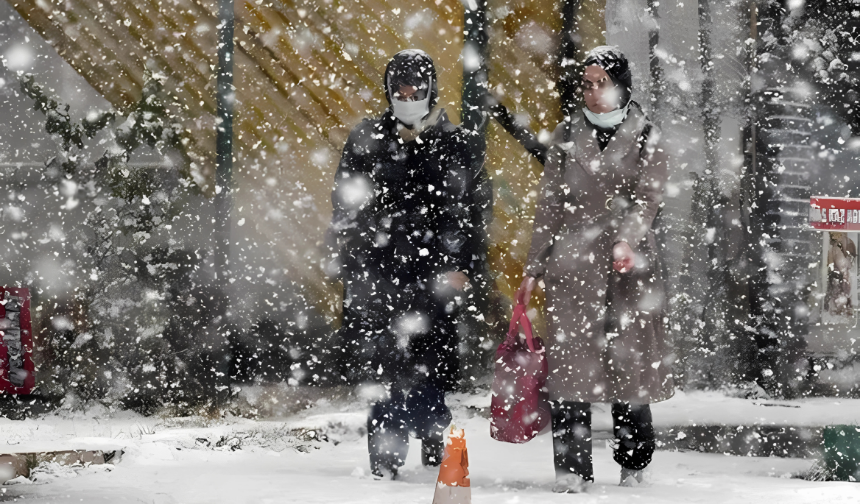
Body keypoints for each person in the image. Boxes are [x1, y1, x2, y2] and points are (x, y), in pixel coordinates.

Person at [515, 46, 674, 493]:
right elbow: (549, 206)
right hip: (573, 264)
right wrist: (534, 268)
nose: (593, 91)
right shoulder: (568, 134)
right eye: (586, 83)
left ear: (622, 85)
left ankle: (634, 463)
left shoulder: (647, 135)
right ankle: (571, 471)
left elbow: (649, 197)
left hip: (631, 266)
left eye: (601, 82)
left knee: (630, 370)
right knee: (571, 373)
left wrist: (628, 238)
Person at [328, 49, 486, 479]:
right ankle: (385, 464)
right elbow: (345, 203)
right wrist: (354, 260)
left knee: (431, 363)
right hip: (378, 273)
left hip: (435, 275)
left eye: (415, 86)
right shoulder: (367, 137)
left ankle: (435, 450)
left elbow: (469, 209)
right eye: (399, 86)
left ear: (431, 87)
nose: (407, 93)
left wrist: (462, 265)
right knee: (383, 369)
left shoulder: (454, 140)